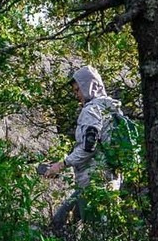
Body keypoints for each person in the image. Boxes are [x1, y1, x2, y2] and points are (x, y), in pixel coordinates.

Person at [43, 62, 127, 231]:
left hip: (92, 182)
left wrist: (61, 165)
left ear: (89, 86)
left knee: (96, 235)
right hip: (111, 179)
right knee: (61, 222)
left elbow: (89, 146)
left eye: (78, 90)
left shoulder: (91, 110)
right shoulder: (111, 108)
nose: (77, 95)